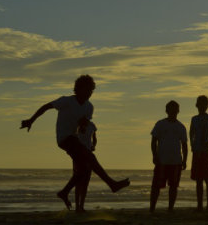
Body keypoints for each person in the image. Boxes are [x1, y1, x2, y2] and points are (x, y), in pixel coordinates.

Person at [20, 75, 129, 210]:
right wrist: (31, 120)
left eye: (91, 91)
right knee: (90, 158)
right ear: (78, 89)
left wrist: (83, 126)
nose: (89, 93)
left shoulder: (89, 107)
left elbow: (81, 125)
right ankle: (111, 184)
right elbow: (45, 107)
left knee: (84, 169)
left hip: (75, 139)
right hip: (64, 138)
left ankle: (65, 192)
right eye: (87, 90)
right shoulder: (66, 101)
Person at [150, 100, 187, 213]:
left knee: (173, 186)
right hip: (162, 160)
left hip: (176, 161)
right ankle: (152, 208)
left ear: (178, 111)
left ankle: (170, 208)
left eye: (175, 110)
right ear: (167, 111)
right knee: (156, 186)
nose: (173, 112)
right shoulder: (160, 124)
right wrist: (154, 155)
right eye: (171, 110)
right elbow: (154, 141)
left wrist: (184, 160)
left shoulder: (181, 127)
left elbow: (184, 145)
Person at [73, 116, 97, 212]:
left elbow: (94, 138)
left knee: (86, 181)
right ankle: (77, 206)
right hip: (78, 154)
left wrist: (93, 146)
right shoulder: (76, 124)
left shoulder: (92, 125)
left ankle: (81, 205)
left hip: (88, 152)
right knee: (78, 180)